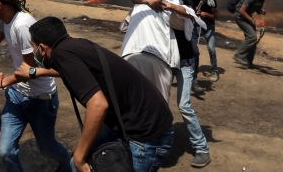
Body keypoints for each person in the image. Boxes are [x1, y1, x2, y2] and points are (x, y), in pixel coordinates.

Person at [18, 16, 174, 172]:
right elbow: (72, 71)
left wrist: (80, 158)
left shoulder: (62, 56)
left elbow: (98, 105)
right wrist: (36, 72)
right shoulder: (74, 45)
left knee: (79, 160)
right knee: (74, 164)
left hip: (146, 136)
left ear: (43, 48)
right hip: (130, 121)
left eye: (34, 48)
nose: (34, 53)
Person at [0, 0, 74, 172]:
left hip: (40, 99)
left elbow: (29, 69)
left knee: (47, 149)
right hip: (16, 95)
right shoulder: (5, 19)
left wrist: (3, 82)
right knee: (6, 151)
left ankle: (71, 166)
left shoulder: (22, 25)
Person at [127, 0, 210, 167]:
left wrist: (170, 6)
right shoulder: (150, 5)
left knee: (184, 106)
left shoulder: (176, 6)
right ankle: (156, 143)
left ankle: (202, 148)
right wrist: (148, 0)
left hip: (185, 62)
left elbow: (191, 14)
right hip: (165, 61)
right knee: (158, 101)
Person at [177, 0, 206, 96]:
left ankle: (193, 80)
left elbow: (193, 8)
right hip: (176, 25)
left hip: (190, 25)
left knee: (194, 52)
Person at [233, 0, 268, 68]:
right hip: (240, 16)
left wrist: (261, 11)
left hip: (247, 16)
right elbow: (242, 11)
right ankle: (238, 56)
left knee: (253, 41)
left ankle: (248, 62)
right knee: (252, 37)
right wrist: (254, 22)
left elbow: (257, 9)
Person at [195, 0, 219, 81]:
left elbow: (215, 16)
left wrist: (206, 14)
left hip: (208, 26)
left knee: (211, 49)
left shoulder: (211, 1)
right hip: (196, 25)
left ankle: (214, 70)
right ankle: (194, 70)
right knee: (194, 50)